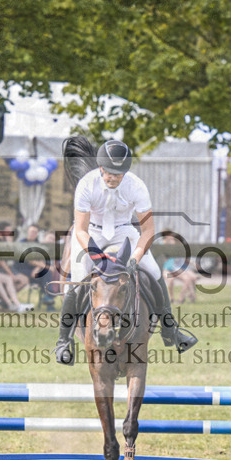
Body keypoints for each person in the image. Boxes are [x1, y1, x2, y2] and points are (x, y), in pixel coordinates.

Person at [54, 138, 196, 365]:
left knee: (154, 271)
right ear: (100, 168)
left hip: (124, 232)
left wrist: (135, 258)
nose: (112, 177)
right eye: (108, 172)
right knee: (78, 279)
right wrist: (96, 255)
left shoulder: (137, 186)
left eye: (118, 174)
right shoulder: (86, 185)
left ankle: (172, 331)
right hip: (91, 233)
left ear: (125, 172)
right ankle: (64, 341)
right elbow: (80, 229)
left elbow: (148, 230)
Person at [161, 232, 198, 304]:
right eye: (170, 239)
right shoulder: (165, 247)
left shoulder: (178, 249)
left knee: (189, 278)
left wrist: (194, 264)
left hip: (176, 268)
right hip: (167, 269)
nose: (172, 241)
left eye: (173, 239)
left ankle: (183, 297)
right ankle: (171, 299)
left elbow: (185, 259)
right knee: (171, 280)